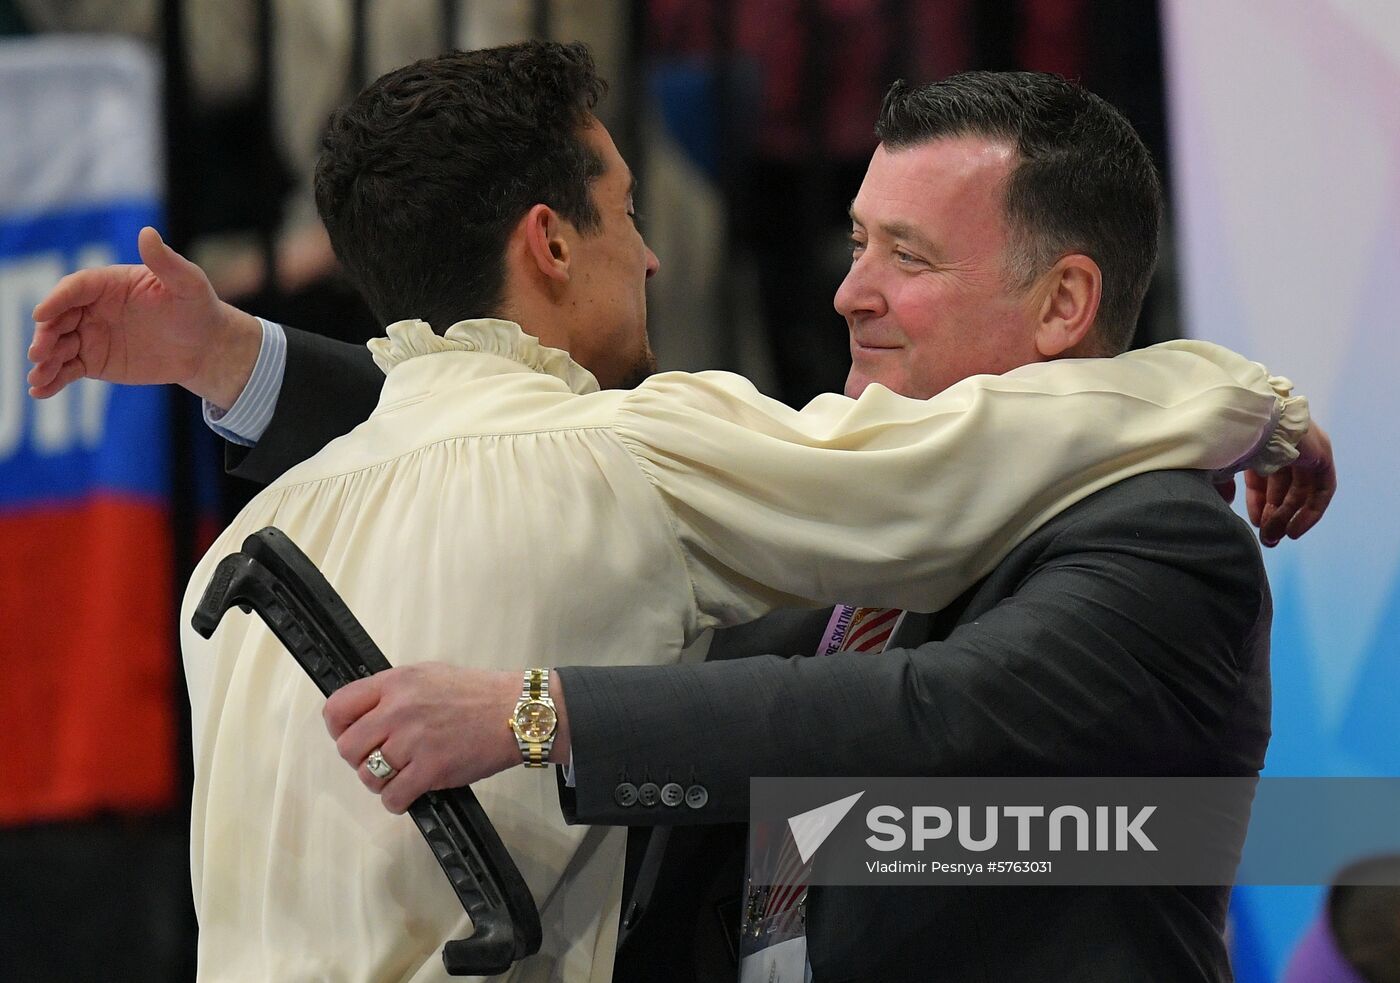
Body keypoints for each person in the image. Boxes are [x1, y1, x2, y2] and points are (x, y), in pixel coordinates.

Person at [28, 48, 1332, 983]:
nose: (847, 293)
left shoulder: (1159, 534)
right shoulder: (748, 531)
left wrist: (534, 714)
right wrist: (235, 361)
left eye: (908, 258)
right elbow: (478, 450)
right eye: (855, 242)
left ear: (1064, 307)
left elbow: (934, 717)